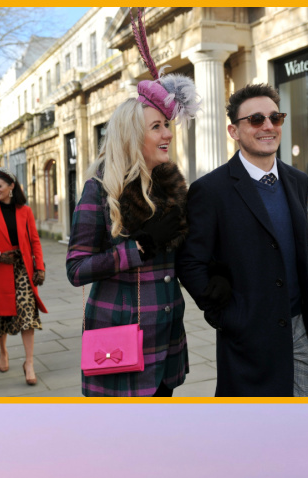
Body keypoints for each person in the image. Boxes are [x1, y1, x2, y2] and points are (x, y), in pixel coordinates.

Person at [178, 82, 308, 396]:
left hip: (305, 323)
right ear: (234, 131)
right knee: (259, 430)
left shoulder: (297, 180)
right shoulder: (211, 190)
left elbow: (303, 249)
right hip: (251, 331)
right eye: (256, 120)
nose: (268, 126)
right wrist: (228, 316)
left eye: (275, 118)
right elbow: (190, 262)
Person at [66, 74, 198, 396]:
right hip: (120, 345)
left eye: (166, 124)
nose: (167, 133)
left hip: (166, 343)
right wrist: (138, 246)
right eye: (156, 127)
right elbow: (76, 269)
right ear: (131, 135)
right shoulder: (100, 188)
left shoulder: (169, 187)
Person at [0, 170, 47, 385]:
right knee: (2, 316)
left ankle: (29, 363)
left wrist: (39, 267)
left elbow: (35, 241)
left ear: (11, 186)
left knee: (27, 315)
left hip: (23, 269)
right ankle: (3, 351)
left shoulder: (25, 211)